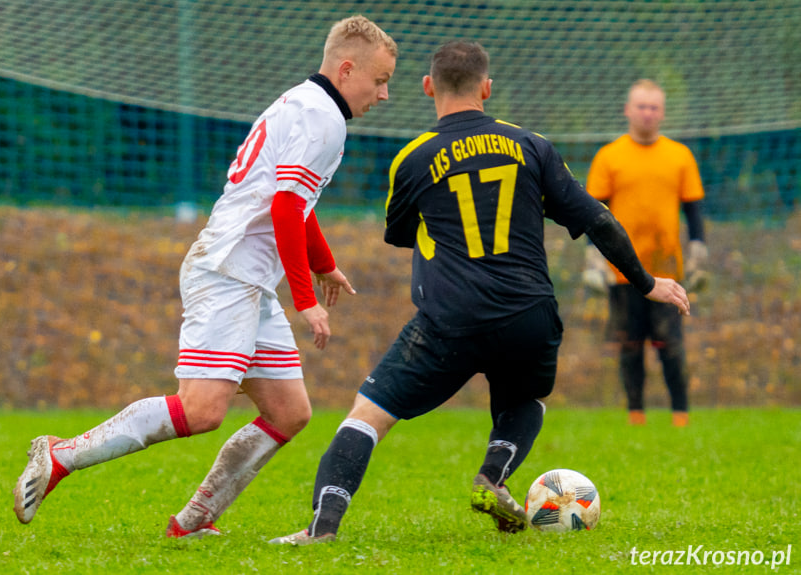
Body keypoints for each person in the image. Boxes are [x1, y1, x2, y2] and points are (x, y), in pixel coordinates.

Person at [269, 41, 690, 546]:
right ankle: (492, 476)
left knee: (368, 415)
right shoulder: (533, 146)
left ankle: (323, 528)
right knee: (525, 399)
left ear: (428, 87)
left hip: (449, 320)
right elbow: (598, 219)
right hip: (530, 314)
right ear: (487, 89)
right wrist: (647, 283)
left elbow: (400, 233)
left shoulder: (412, 158)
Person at [12, 15, 398, 537]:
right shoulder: (322, 118)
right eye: (379, 81)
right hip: (227, 272)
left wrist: (324, 262)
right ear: (347, 69)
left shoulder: (305, 103)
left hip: (246, 277)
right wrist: (307, 299)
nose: (385, 94)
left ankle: (194, 521)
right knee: (200, 410)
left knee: (289, 411)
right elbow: (285, 208)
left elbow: (293, 206)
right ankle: (61, 455)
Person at [583, 79, 706, 428]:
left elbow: (694, 211)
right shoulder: (609, 156)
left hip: (667, 270)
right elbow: (595, 213)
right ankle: (635, 415)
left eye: (654, 107)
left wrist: (698, 252)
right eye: (641, 106)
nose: (647, 113)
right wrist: (593, 259)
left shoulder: (680, 156)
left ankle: (680, 415)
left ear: (662, 113)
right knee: (630, 346)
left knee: (671, 346)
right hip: (622, 272)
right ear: (628, 109)